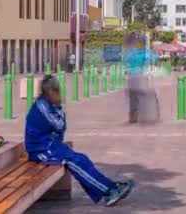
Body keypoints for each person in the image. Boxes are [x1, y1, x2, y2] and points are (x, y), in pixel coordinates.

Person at [25, 75, 134, 207]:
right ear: (50, 92)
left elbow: (61, 126)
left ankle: (109, 186)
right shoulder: (42, 105)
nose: (60, 94)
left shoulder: (51, 105)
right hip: (40, 149)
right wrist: (59, 112)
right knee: (74, 161)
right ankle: (108, 191)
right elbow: (59, 125)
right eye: (58, 91)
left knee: (82, 158)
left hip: (51, 145)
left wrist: (58, 111)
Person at [123, 34, 160, 124]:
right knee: (147, 95)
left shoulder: (131, 52)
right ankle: (148, 115)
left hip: (130, 78)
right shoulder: (147, 52)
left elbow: (125, 61)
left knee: (133, 98)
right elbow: (154, 60)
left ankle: (133, 117)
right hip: (141, 77)